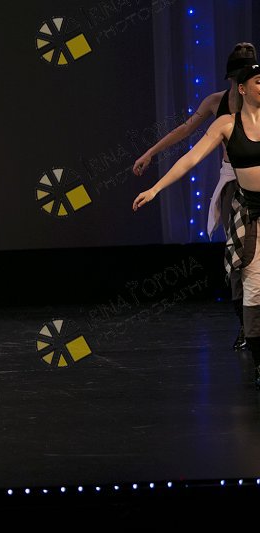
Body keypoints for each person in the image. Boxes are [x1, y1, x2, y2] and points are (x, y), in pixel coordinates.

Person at [133, 64, 260, 389]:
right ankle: (257, 356)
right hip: (247, 208)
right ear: (242, 86)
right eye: (258, 81)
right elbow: (190, 157)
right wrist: (156, 188)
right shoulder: (224, 121)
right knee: (252, 284)